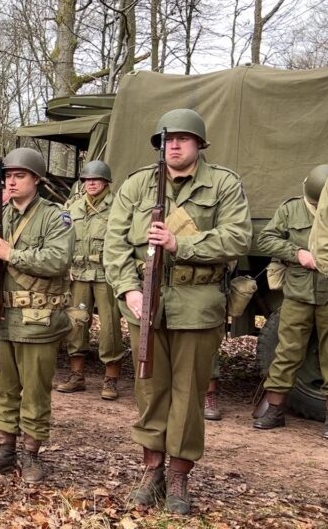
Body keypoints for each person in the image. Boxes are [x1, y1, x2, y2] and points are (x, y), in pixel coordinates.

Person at [103, 109, 251, 514]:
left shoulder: (222, 183)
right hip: (145, 302)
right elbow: (114, 244)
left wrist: (180, 244)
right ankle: (153, 469)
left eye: (183, 138)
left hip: (198, 303)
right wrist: (128, 290)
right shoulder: (137, 185)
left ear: (199, 143)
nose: (174, 145)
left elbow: (238, 237)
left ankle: (180, 474)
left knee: (188, 394)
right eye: (167, 139)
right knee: (150, 389)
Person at [0, 148, 74, 484]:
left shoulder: (56, 217)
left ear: (37, 180)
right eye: (8, 176)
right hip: (1, 319)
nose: (11, 182)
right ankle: (5, 448)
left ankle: (31, 454)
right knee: (2, 388)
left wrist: (12, 253)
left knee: (36, 391)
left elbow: (59, 259)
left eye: (20, 176)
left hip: (38, 321)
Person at [265, 164, 328, 438]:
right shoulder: (290, 209)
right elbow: (267, 239)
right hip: (299, 292)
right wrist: (297, 253)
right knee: (287, 351)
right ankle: (275, 410)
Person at [57, 160, 126, 400]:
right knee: (76, 322)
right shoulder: (73, 207)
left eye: (96, 180)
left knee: (110, 327)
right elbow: (63, 238)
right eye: (87, 180)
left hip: (106, 274)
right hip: (79, 273)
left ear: (106, 182)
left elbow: (124, 239)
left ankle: (111, 378)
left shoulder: (118, 206)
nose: (91, 184)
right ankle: (77, 375)